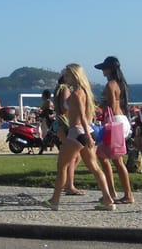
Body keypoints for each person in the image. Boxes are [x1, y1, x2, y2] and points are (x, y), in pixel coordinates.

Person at [43, 63, 116, 212]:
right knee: (94, 168)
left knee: (62, 166)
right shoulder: (83, 91)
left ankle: (55, 200)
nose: (65, 77)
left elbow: (81, 116)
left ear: (75, 76)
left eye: (68, 75)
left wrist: (88, 137)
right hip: (85, 131)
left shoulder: (76, 93)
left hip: (77, 132)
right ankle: (108, 200)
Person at [95, 56, 134, 205]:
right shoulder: (120, 84)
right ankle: (114, 192)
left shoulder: (111, 84)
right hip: (120, 120)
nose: (102, 71)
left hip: (114, 121)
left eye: (104, 68)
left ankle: (121, 194)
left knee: (113, 160)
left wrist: (96, 105)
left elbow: (110, 105)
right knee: (108, 158)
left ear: (109, 69)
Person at [53, 76, 83, 196]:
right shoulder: (65, 89)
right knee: (73, 156)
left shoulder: (58, 89)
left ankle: (67, 183)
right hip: (65, 122)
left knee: (73, 156)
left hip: (60, 122)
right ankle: (69, 185)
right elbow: (65, 108)